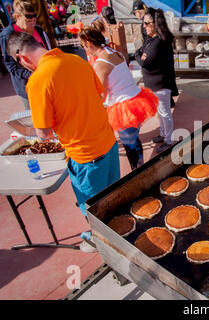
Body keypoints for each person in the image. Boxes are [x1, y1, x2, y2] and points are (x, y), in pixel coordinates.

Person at [7, 31, 121, 252]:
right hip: (108, 142)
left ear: (22, 57)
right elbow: (98, 95)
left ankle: (106, 246)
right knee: (114, 198)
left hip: (85, 156)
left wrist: (25, 128)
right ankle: (117, 232)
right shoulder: (76, 60)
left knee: (94, 210)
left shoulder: (38, 80)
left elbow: (44, 134)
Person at [79, 22, 158, 170]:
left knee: (130, 145)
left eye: (83, 45)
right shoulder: (113, 52)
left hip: (123, 108)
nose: (84, 49)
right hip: (135, 100)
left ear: (89, 43)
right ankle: (140, 168)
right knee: (134, 141)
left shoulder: (101, 64)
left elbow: (102, 96)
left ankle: (138, 172)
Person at [135, 7, 178, 153]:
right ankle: (163, 134)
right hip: (155, 85)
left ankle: (169, 140)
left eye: (147, 23)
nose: (144, 26)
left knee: (165, 113)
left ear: (155, 24)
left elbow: (145, 62)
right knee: (160, 112)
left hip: (161, 84)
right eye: (143, 23)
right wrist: (140, 54)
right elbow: (140, 53)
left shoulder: (159, 41)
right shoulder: (151, 39)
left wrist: (139, 55)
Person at [0, 0, 51, 110]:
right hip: (28, 86)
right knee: (37, 117)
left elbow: (49, 51)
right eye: (28, 20)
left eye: (34, 19)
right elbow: (12, 66)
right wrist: (32, 75)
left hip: (46, 80)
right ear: (18, 17)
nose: (33, 23)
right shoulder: (8, 35)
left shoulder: (39, 30)